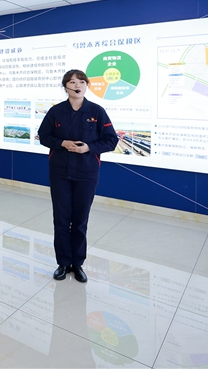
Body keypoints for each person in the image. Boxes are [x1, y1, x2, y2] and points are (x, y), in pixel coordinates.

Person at [37, 69, 118, 283]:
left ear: (87, 86)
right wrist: (61, 143)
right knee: (61, 219)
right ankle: (63, 263)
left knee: (80, 220)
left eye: (82, 82)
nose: (78, 86)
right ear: (65, 87)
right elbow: (43, 136)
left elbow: (111, 140)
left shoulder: (97, 111)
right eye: (73, 82)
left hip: (87, 172)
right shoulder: (56, 112)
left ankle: (77, 263)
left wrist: (89, 148)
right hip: (60, 172)